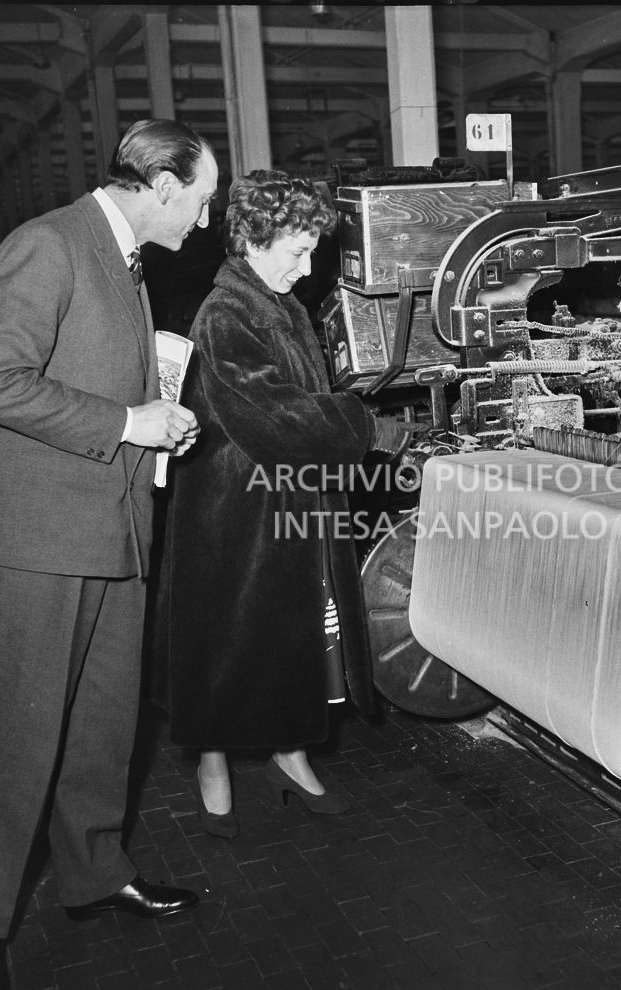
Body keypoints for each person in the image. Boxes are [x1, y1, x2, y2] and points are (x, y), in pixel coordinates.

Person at [0, 119, 218, 990]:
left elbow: (99, 383)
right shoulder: (48, 245)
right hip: (33, 536)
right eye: (204, 199)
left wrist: (154, 419)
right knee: (20, 734)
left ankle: (96, 874)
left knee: (103, 722)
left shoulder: (124, 256)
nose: (207, 221)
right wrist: (125, 425)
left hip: (111, 528)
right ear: (163, 184)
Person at [152, 169, 412, 838]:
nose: (306, 265)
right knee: (227, 641)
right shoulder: (226, 313)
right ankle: (213, 763)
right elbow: (278, 416)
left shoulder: (285, 305)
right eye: (297, 250)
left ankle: (290, 754)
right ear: (252, 239)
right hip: (232, 515)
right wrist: (367, 426)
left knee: (290, 642)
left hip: (287, 505)